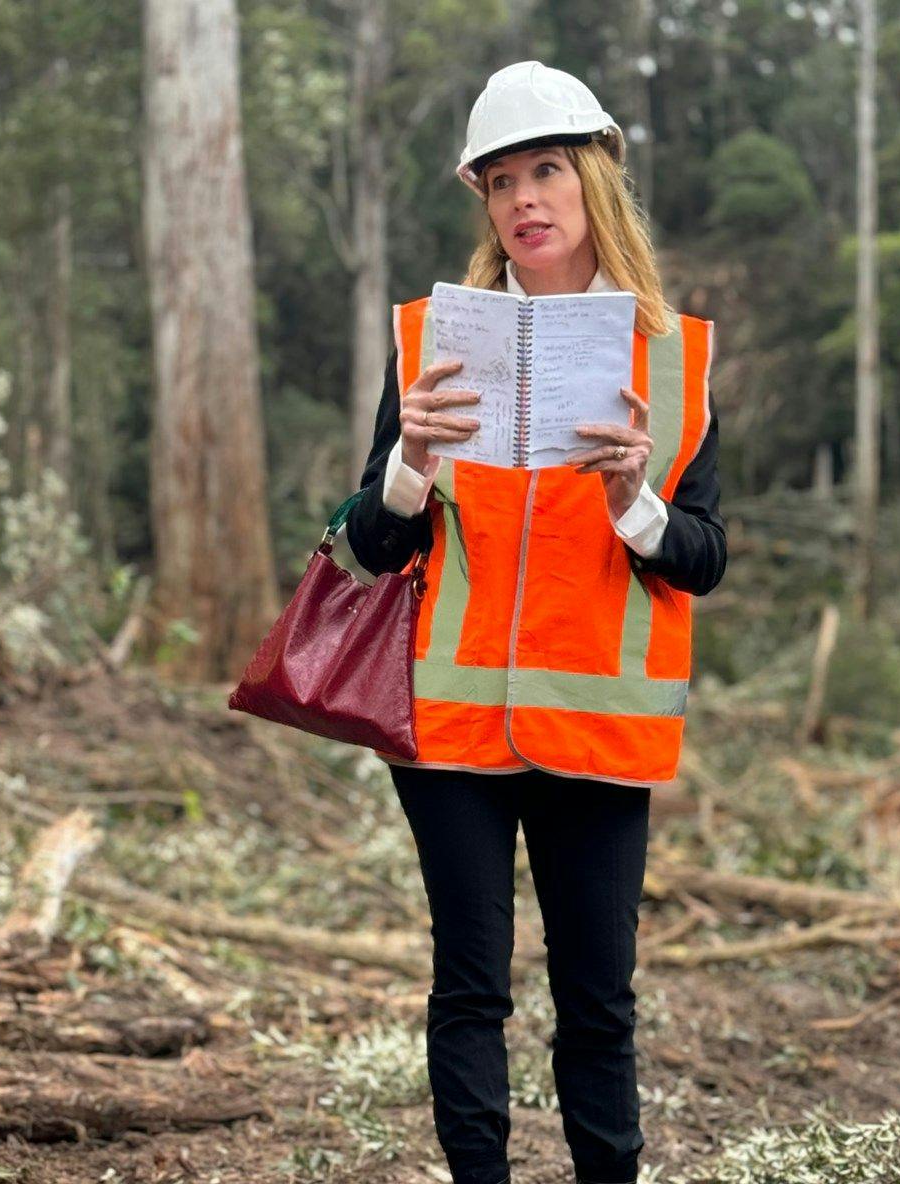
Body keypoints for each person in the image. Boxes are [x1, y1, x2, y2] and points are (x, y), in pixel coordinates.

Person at [346, 60, 726, 1184]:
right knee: (470, 983)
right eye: (500, 179)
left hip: (600, 732)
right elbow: (370, 544)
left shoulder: (675, 355)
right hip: (450, 727)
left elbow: (703, 558)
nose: (524, 198)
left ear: (593, 177)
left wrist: (634, 506)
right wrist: (410, 466)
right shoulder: (434, 340)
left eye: (546, 169)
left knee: (597, 1000)